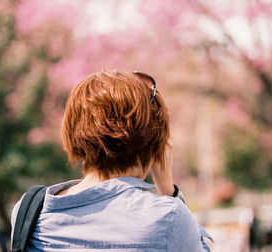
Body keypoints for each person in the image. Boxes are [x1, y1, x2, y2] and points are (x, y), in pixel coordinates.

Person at [11, 70, 212, 251]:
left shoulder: (29, 212)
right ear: (155, 146)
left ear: (74, 131)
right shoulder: (167, 219)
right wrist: (169, 190)